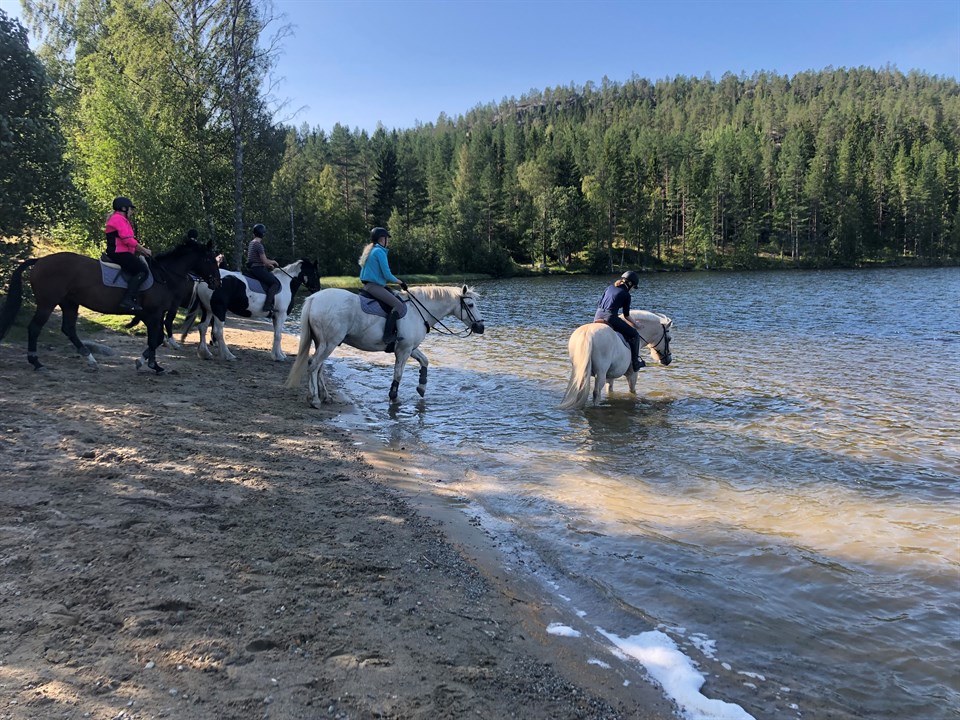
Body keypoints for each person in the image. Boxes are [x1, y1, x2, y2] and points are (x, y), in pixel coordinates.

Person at [359, 226, 407, 348]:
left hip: (370, 286)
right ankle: (387, 336)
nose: (388, 241)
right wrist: (400, 282)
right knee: (398, 305)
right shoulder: (379, 252)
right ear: (382, 239)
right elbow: (387, 274)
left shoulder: (370, 250)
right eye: (387, 238)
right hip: (374, 287)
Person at [104, 196, 152, 312]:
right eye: (131, 209)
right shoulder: (118, 219)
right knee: (143, 271)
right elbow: (127, 240)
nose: (132, 211)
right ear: (124, 208)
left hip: (122, 252)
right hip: (119, 253)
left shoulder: (120, 219)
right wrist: (144, 250)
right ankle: (127, 300)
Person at [594, 270, 645, 372]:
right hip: (610, 318)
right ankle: (635, 362)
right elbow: (626, 315)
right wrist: (636, 324)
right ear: (630, 284)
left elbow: (599, 304)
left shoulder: (609, 287)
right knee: (635, 335)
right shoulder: (626, 295)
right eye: (633, 287)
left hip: (597, 316)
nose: (632, 290)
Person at [246, 223, 280, 318]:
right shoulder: (259, 245)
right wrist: (273, 262)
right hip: (258, 269)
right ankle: (267, 305)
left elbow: (259, 259)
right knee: (275, 283)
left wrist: (269, 265)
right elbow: (265, 261)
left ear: (254, 233)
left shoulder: (251, 243)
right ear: (263, 234)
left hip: (253, 268)